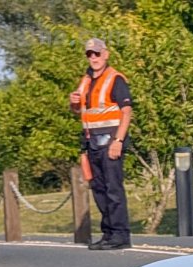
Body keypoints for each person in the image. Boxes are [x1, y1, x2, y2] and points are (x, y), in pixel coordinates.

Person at [70, 37, 132, 250]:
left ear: (106, 54)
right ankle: (108, 233)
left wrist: (119, 140)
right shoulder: (86, 80)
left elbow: (126, 111)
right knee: (99, 190)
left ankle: (120, 234)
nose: (93, 58)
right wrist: (73, 104)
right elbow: (81, 111)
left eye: (97, 53)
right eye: (90, 54)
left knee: (113, 189)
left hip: (110, 141)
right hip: (91, 143)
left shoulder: (115, 79)